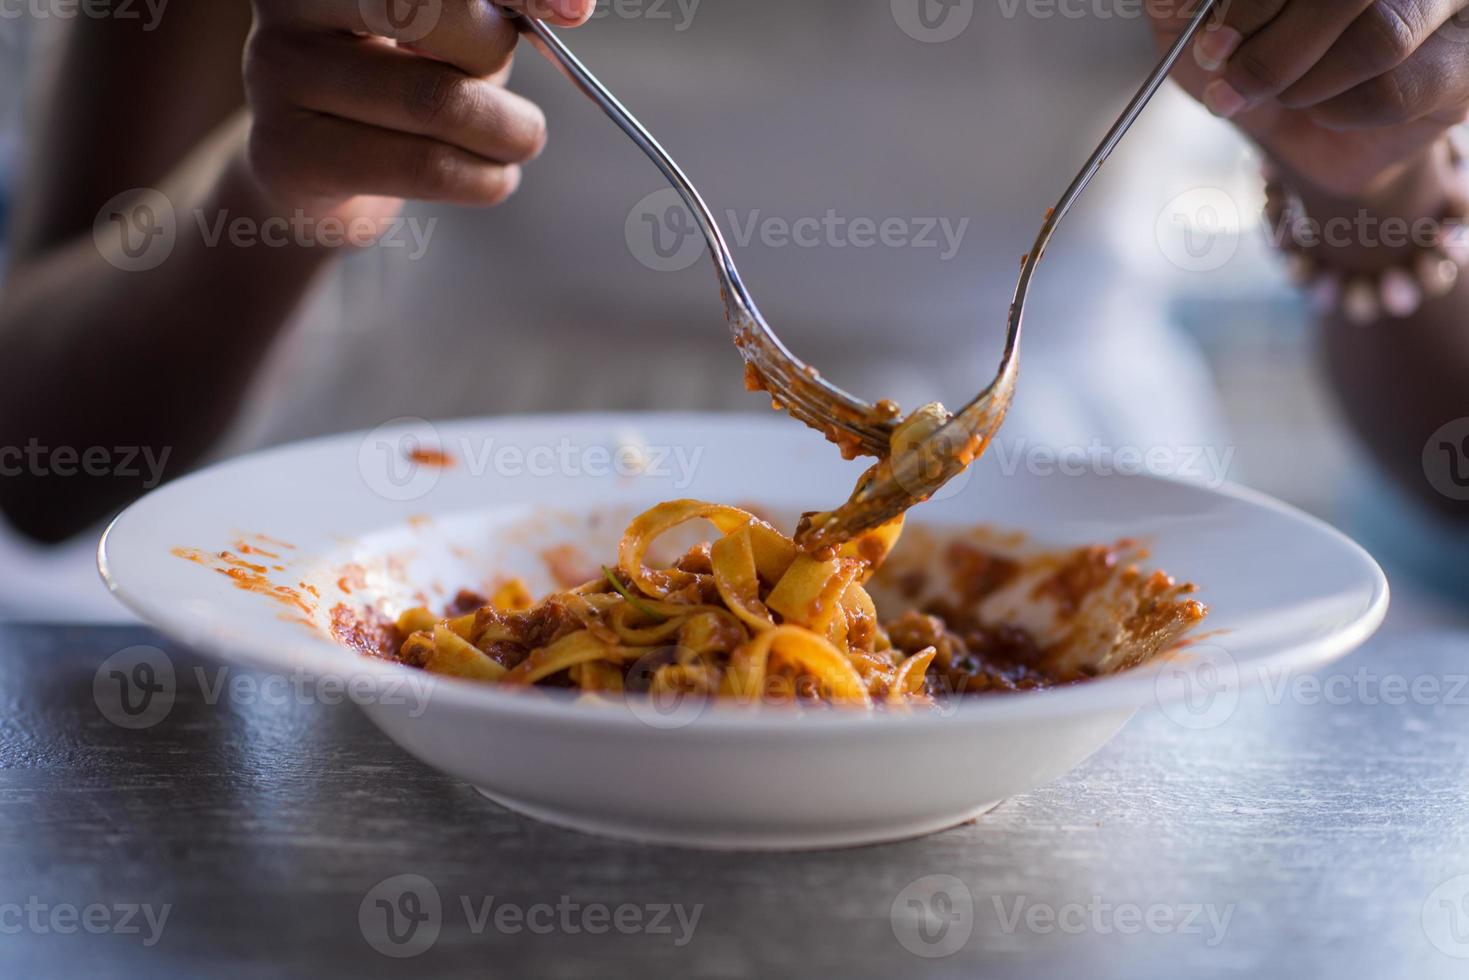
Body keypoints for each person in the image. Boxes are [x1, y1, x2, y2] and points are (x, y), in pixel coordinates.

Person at [0, 0, 1465, 619]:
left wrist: (1375, 188)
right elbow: (43, 459)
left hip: (1086, 569)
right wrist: (281, 197)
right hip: (412, 561)